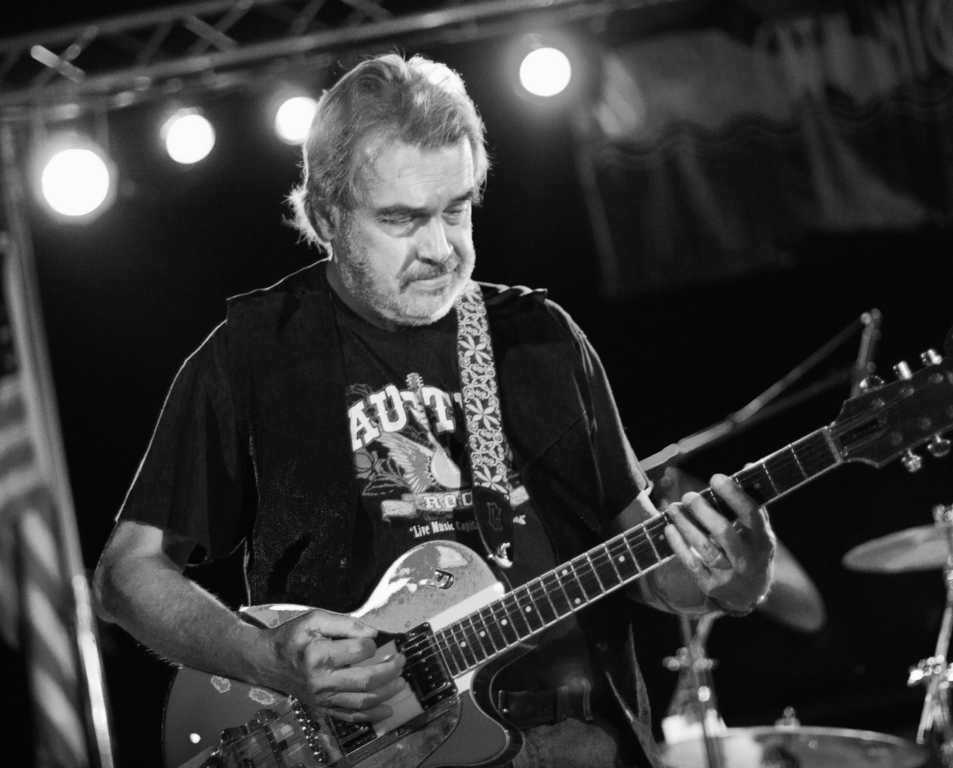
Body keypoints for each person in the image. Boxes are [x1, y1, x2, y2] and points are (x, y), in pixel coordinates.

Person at [92, 53, 775, 768]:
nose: (440, 248)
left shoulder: (540, 339)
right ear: (327, 215)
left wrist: (729, 582)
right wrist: (263, 658)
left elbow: (640, 561)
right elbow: (129, 573)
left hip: (572, 742)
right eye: (401, 219)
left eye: (456, 209)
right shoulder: (254, 353)